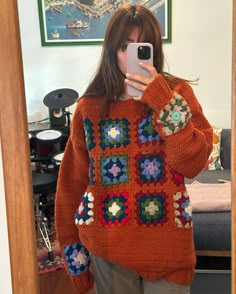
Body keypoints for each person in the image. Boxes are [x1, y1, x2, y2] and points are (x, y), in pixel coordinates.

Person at [55, 4, 213, 294]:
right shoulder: (89, 108)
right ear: (111, 49)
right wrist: (74, 260)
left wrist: (162, 101)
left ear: (154, 50)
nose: (131, 57)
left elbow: (193, 163)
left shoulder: (178, 95)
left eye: (141, 47)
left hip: (169, 248)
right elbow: (71, 186)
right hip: (107, 245)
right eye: (124, 47)